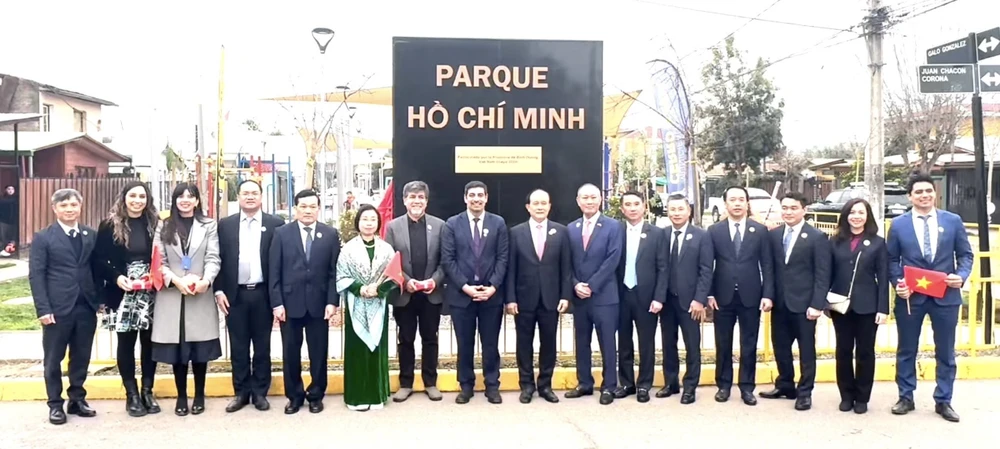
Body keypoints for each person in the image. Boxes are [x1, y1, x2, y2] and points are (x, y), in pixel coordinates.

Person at [889, 171, 972, 423]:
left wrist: (961, 275)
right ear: (909, 197)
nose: (924, 195)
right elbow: (892, 260)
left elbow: (966, 255)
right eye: (918, 192)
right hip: (910, 298)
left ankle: (944, 400)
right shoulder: (899, 224)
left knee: (946, 351)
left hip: (945, 296)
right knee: (906, 349)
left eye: (928, 191)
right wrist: (897, 283)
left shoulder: (953, 221)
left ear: (934, 193)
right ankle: (906, 396)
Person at [29, 188, 100, 425]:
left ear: (80, 207)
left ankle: (77, 399)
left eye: (73, 205)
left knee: (81, 357)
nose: (69, 209)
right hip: (57, 309)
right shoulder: (43, 237)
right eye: (64, 205)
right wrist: (43, 309)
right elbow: (36, 275)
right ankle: (55, 404)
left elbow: (95, 269)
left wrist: (98, 300)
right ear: (55, 209)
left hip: (85, 307)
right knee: (53, 359)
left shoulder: (90, 234)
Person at [151, 183, 222, 416]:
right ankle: (181, 396)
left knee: (199, 350)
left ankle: (199, 395)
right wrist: (175, 280)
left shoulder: (209, 225)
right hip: (172, 295)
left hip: (199, 293)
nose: (185, 200)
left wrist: (205, 280)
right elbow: (158, 260)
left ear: (197, 201)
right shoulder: (164, 225)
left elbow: (213, 257)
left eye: (190, 196)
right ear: (174, 200)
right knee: (178, 351)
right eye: (180, 196)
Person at [214, 180, 285, 413]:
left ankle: (260, 392)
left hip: (264, 294)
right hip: (235, 295)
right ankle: (241, 392)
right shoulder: (225, 225)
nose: (250, 197)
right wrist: (219, 289)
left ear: (262, 197)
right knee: (239, 346)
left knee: (263, 346)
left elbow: (280, 263)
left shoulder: (276, 224)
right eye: (245, 193)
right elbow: (218, 260)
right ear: (239, 197)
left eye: (255, 193)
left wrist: (278, 299)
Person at [269, 189, 341, 414]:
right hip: (290, 305)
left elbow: (333, 272)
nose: (308, 211)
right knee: (291, 353)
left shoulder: (330, 234)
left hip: (320, 304)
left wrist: (332, 301)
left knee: (318, 352)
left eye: (312, 206)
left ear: (319, 208)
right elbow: (274, 271)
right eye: (303, 206)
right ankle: (295, 396)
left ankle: (316, 394)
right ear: (295, 208)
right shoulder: (281, 233)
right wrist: (277, 303)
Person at [94, 181, 161, 417]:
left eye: (142, 196)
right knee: (126, 343)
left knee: (150, 342)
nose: (137, 201)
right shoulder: (109, 225)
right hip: (123, 291)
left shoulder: (156, 224)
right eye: (133, 196)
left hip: (152, 290)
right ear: (124, 198)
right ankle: (131, 394)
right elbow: (98, 260)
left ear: (148, 199)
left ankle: (147, 390)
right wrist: (116, 277)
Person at [441, 181, 509, 404]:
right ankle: (466, 386)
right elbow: (448, 261)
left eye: (480, 195)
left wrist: (493, 287)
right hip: (463, 296)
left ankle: (492, 386)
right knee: (465, 343)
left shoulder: (498, 223)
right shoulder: (452, 224)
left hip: (491, 296)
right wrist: (466, 287)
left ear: (487, 198)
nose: (476, 199)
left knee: (491, 344)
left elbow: (502, 258)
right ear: (465, 198)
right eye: (472, 195)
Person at [762, 191, 831, 411]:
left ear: (804, 210)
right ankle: (785, 385)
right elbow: (770, 269)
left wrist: (817, 304)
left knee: (806, 351)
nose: (788, 212)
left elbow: (822, 274)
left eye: (793, 208)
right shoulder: (773, 235)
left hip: (805, 305)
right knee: (780, 348)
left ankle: (805, 392)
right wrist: (769, 295)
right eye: (785, 207)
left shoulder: (816, 237)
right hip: (780, 304)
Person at [706, 186, 774, 406]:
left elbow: (767, 265)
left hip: (751, 295)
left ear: (747, 204)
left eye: (741, 200)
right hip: (722, 296)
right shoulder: (714, 231)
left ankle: (747, 387)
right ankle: (723, 386)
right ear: (725, 203)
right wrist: (709, 294)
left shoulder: (760, 230)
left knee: (749, 344)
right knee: (723, 343)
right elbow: (707, 265)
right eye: (732, 200)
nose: (737, 204)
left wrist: (767, 294)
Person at [505, 189, 572, 404]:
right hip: (524, 299)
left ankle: (545, 385)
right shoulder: (515, 232)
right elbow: (510, 269)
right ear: (528, 207)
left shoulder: (561, 232)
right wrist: (511, 298)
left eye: (544, 203)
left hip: (551, 299)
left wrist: (565, 295)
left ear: (550, 206)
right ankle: (526, 386)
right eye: (536, 203)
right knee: (524, 344)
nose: (540, 207)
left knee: (548, 343)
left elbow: (566, 268)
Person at [384, 181, 446, 402]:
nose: (416, 201)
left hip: (431, 294)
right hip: (404, 294)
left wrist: (434, 281)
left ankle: (430, 383)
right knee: (406, 340)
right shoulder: (393, 227)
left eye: (420, 197)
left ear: (426, 201)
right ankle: (406, 383)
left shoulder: (440, 226)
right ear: (404, 200)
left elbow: (445, 261)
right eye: (412, 197)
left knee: (430, 339)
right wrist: (407, 281)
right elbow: (389, 260)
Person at [828, 198, 889, 415]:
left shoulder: (878, 242)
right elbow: (827, 274)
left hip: (867, 306)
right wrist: (824, 303)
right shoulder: (834, 241)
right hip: (840, 306)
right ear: (845, 216)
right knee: (843, 351)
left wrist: (883, 309)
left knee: (865, 352)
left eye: (861, 213)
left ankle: (862, 398)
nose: (856, 216)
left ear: (867, 216)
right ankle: (846, 395)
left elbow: (883, 278)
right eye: (852, 212)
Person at [337, 204, 400, 411]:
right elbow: (341, 276)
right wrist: (359, 288)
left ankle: (377, 396)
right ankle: (356, 397)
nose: (369, 223)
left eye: (373, 219)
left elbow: (394, 276)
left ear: (378, 223)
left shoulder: (386, 249)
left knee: (376, 350)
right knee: (357, 350)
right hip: (356, 304)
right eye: (365, 219)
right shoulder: (348, 249)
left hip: (378, 305)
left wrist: (379, 290)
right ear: (358, 222)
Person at [565, 183, 623, 405]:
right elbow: (567, 262)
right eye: (585, 198)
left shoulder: (613, 226)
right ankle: (584, 383)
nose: (589, 201)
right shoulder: (571, 228)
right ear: (578, 201)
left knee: (607, 342)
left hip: (605, 296)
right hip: (579, 296)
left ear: (600, 199)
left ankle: (609, 386)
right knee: (582, 341)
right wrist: (576, 285)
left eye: (593, 197)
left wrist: (591, 285)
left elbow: (613, 259)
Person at [659, 194, 713, 404]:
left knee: (692, 345)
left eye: (680, 209)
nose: (676, 213)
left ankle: (690, 386)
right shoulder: (662, 235)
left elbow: (706, 269)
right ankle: (670, 383)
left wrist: (699, 299)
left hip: (690, 302)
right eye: (672, 209)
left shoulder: (701, 236)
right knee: (667, 343)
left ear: (688, 211)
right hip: (667, 301)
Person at [614, 191, 667, 403]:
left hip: (647, 297)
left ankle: (644, 384)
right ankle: (626, 383)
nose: (633, 208)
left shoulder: (657, 233)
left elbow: (663, 268)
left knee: (646, 343)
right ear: (622, 209)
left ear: (644, 207)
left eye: (636, 204)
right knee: (624, 342)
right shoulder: (616, 231)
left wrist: (659, 297)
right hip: (621, 294)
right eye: (628, 204)